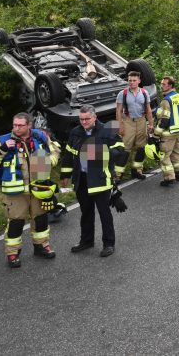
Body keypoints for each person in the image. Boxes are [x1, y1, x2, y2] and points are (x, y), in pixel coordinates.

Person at [0, 112, 59, 268]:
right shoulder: (4, 140)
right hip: (16, 192)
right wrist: (2, 149)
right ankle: (13, 253)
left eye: (20, 125)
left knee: (41, 219)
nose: (16, 128)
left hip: (39, 188)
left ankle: (41, 246)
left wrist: (48, 163)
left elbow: (55, 151)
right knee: (16, 223)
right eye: (14, 125)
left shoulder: (40, 137)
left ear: (29, 125)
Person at [62, 105, 125, 257]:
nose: (83, 122)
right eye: (81, 119)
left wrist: (103, 152)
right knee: (86, 212)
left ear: (94, 117)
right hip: (81, 178)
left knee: (104, 212)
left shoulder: (106, 130)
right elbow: (68, 154)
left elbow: (120, 150)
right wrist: (65, 174)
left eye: (87, 119)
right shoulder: (75, 132)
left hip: (100, 178)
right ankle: (86, 241)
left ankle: (109, 244)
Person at [115, 70, 153, 182]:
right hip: (128, 122)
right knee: (125, 148)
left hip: (141, 121)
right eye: (130, 80)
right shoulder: (123, 94)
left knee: (141, 147)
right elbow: (118, 111)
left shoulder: (145, 93)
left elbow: (148, 110)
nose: (131, 82)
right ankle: (118, 174)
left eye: (134, 80)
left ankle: (137, 170)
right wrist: (119, 126)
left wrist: (151, 124)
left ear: (139, 81)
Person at [154, 76, 179, 187]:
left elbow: (164, 120)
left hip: (168, 133)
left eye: (164, 84)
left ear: (170, 86)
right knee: (175, 153)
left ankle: (169, 177)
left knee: (164, 156)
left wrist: (156, 134)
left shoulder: (166, 100)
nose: (161, 86)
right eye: (161, 84)